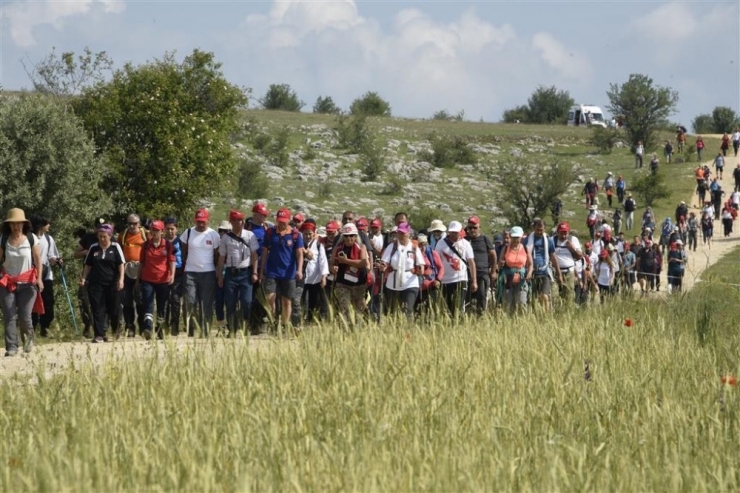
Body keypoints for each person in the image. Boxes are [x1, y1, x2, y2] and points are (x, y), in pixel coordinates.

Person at [0, 209, 43, 355]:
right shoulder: (3, 240)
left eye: (18, 223)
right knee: (9, 316)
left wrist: (39, 279)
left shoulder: (31, 239)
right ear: (9, 225)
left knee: (25, 316)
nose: (16, 226)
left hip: (28, 283)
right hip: (8, 283)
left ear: (24, 224)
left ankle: (29, 340)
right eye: (12, 223)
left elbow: (38, 260)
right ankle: (12, 347)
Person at [260, 208, 304, 332]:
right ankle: (273, 321)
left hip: (288, 273)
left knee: (287, 301)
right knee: (270, 299)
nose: (282, 223)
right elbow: (264, 251)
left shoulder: (295, 234)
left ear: (289, 220)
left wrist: (299, 270)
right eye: (280, 221)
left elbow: (300, 253)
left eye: (284, 221)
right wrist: (262, 269)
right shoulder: (270, 232)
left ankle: (284, 325)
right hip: (272, 271)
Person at [217, 209, 259, 337]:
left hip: (245, 272)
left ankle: (244, 324)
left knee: (246, 302)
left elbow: (254, 255)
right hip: (231, 272)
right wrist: (219, 275)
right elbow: (221, 258)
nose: (238, 223)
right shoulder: (225, 238)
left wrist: (255, 272)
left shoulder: (249, 235)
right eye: (235, 220)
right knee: (230, 302)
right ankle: (232, 329)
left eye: (240, 220)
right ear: (231, 222)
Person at [80, 224, 125, 343]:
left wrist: (121, 279)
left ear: (110, 236)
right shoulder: (94, 248)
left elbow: (121, 264)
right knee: (97, 309)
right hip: (96, 283)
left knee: (114, 309)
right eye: (100, 236)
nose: (102, 239)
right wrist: (84, 278)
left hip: (113, 283)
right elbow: (88, 265)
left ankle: (116, 330)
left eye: (104, 236)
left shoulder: (115, 247)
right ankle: (99, 334)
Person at [181, 208, 221, 337]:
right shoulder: (187, 233)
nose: (201, 224)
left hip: (208, 272)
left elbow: (216, 255)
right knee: (190, 301)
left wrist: (214, 269)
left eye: (203, 221)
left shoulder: (214, 235)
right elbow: (184, 251)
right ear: (195, 220)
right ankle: (191, 326)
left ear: (208, 220)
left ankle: (205, 329)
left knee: (206, 303)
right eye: (198, 221)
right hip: (190, 272)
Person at [137, 220, 176, 340]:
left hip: (163, 279)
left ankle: (160, 329)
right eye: (153, 230)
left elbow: (171, 261)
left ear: (162, 231)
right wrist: (138, 279)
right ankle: (148, 328)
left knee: (162, 305)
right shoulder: (146, 245)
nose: (155, 232)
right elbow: (141, 262)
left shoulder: (168, 245)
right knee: (148, 303)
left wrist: (172, 275)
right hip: (147, 279)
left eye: (157, 230)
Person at [379, 222, 425, 320]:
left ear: (409, 233)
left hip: (410, 282)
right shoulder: (392, 247)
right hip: (393, 283)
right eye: (399, 233)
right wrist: (383, 266)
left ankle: (408, 331)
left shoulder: (414, 247)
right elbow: (385, 261)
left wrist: (420, 269)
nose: (401, 235)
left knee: (407, 310)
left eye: (403, 233)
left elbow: (421, 263)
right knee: (393, 311)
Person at [73, 216, 108, 338]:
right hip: (88, 275)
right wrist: (85, 252)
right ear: (94, 228)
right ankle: (87, 324)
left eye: (103, 228)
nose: (100, 230)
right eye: (98, 228)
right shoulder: (87, 238)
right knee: (83, 300)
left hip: (105, 275)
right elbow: (76, 253)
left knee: (103, 302)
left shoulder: (110, 238)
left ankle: (103, 329)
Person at [330, 222, 369, 327]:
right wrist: (333, 268)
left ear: (356, 236)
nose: (348, 238)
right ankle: (345, 329)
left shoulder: (362, 247)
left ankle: (359, 329)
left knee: (359, 308)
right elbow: (332, 263)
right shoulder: (338, 248)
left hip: (359, 283)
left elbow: (362, 263)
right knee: (345, 306)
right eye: (346, 236)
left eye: (351, 235)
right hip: (343, 283)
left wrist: (346, 261)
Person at [435, 221, 477, 317]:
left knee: (459, 305)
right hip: (446, 280)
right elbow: (437, 260)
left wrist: (474, 281)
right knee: (449, 305)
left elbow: (471, 262)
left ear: (460, 231)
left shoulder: (465, 244)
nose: (454, 234)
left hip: (461, 278)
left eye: (456, 232)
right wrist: (437, 277)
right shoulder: (441, 244)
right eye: (452, 232)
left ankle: (459, 322)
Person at [30, 215, 61, 338]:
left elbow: (51, 256)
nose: (49, 226)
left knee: (48, 301)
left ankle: (45, 328)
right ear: (40, 225)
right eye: (47, 223)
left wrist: (57, 260)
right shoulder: (29, 238)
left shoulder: (49, 239)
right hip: (31, 274)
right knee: (32, 302)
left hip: (46, 275)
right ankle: (31, 328)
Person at [118, 213, 147, 337]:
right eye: (130, 223)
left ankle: (142, 326)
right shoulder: (122, 236)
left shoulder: (146, 235)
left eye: (134, 223)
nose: (132, 226)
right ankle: (129, 327)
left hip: (141, 270)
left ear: (139, 224)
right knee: (127, 301)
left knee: (140, 300)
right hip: (127, 270)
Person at [523, 219, 562, 311]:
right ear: (533, 228)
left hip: (544, 272)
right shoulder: (526, 240)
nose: (539, 232)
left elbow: (553, 256)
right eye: (537, 230)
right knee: (532, 298)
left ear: (545, 229)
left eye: (541, 230)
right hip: (531, 273)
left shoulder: (548, 240)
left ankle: (546, 316)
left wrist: (559, 273)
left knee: (544, 295)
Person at [497, 226, 533, 314]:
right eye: (514, 237)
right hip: (508, 279)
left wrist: (529, 273)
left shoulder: (525, 248)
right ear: (511, 236)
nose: (516, 240)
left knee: (521, 303)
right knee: (508, 305)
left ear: (521, 237)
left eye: (518, 237)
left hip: (522, 279)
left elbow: (530, 264)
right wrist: (500, 264)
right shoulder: (505, 249)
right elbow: (499, 264)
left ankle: (522, 324)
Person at [465, 216, 496, 315]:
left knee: (481, 295)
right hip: (467, 274)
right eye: (470, 228)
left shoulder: (485, 239)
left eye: (475, 227)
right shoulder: (464, 240)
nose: (472, 230)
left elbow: (493, 255)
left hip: (482, 272)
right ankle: (468, 317)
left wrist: (494, 271)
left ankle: (481, 316)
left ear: (479, 228)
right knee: (467, 297)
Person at [301, 220, 328, 323]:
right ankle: (302, 317)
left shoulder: (318, 245)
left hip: (314, 278)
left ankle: (311, 318)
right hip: (302, 277)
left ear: (314, 233)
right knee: (301, 299)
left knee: (314, 299)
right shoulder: (299, 243)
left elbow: (322, 261)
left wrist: (323, 277)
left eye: (310, 234)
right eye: (305, 234)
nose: (308, 236)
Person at [163, 217, 184, 336]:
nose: (170, 231)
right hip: (164, 273)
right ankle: (163, 324)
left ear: (177, 229)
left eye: (172, 229)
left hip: (179, 273)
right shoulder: (161, 241)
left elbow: (185, 255)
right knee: (164, 300)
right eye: (168, 229)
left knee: (175, 299)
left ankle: (175, 325)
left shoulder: (181, 241)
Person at [552, 222, 582, 306]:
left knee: (569, 294)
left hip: (569, 272)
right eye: (561, 233)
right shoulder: (552, 240)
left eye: (565, 233)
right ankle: (555, 312)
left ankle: (567, 312)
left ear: (568, 232)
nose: (564, 236)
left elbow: (580, 256)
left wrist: (572, 248)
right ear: (558, 232)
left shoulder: (573, 239)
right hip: (555, 272)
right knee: (554, 294)